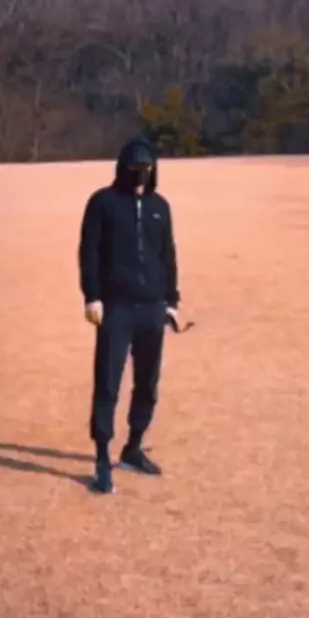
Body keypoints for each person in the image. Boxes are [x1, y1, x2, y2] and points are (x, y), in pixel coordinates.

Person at [78, 135, 180, 494]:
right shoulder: (102, 203)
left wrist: (171, 301)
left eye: (147, 168)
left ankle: (133, 448)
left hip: (152, 309)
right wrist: (93, 296)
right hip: (116, 308)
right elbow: (88, 252)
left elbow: (167, 255)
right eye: (135, 167)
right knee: (108, 382)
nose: (141, 173)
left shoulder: (160, 207)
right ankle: (102, 458)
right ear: (123, 167)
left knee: (147, 383)